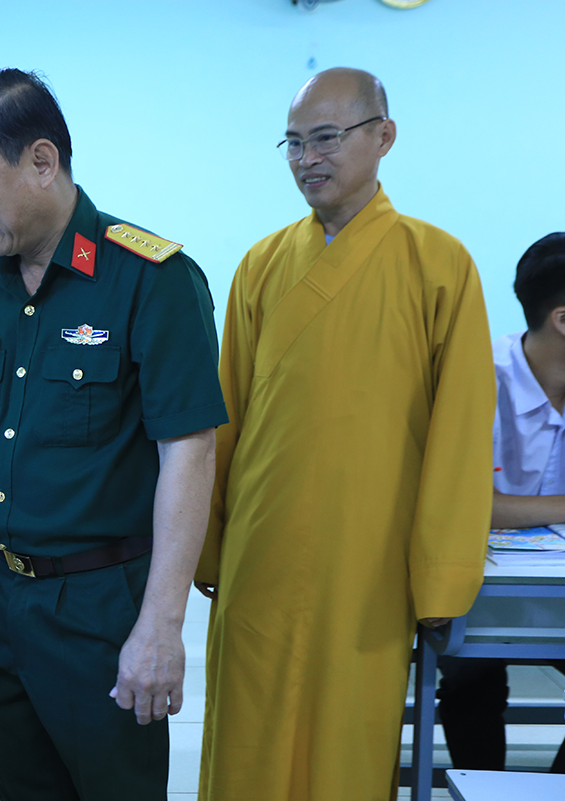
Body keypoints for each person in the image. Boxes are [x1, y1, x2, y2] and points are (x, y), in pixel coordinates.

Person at [0, 68, 226, 801]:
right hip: (1, 594)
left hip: (101, 605)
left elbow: (189, 453)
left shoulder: (151, 279)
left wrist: (162, 626)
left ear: (41, 161)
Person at [195, 67, 496, 801]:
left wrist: (440, 573)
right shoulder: (261, 265)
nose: (308, 159)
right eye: (294, 143)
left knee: (347, 742)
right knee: (248, 733)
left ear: (383, 137)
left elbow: (460, 431)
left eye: (326, 138)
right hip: (262, 550)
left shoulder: (439, 263)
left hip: (370, 557)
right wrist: (209, 539)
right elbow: (224, 416)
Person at [436, 231, 565, 773]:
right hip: (477, 590)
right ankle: (486, 789)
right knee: (469, 674)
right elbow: (470, 506)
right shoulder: (477, 377)